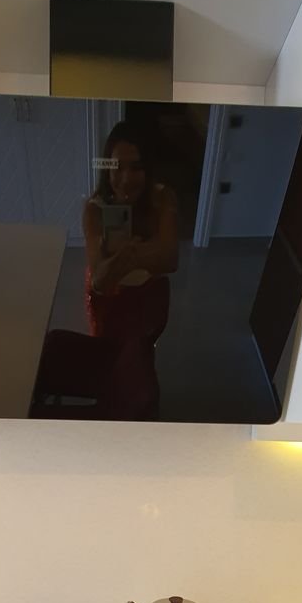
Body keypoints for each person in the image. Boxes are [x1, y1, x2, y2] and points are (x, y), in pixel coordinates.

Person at [81, 122, 178, 418]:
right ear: (106, 169)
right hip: (109, 301)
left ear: (148, 169)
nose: (125, 179)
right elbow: (100, 281)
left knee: (141, 352)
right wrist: (143, 252)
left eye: (136, 168)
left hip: (149, 296)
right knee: (109, 356)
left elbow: (170, 260)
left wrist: (123, 256)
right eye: (117, 168)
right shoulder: (94, 209)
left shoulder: (163, 198)